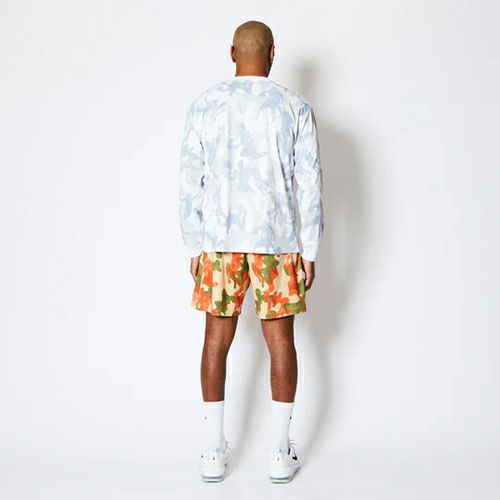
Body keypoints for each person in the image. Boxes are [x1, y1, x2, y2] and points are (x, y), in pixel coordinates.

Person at [178, 20, 324, 483]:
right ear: (273, 54)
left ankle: (212, 452)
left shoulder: (205, 105)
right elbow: (310, 185)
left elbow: (190, 182)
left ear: (232, 53)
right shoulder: (295, 108)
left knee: (214, 340)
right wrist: (309, 249)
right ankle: (280, 452)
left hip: (220, 243)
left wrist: (194, 244)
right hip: (276, 244)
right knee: (281, 342)